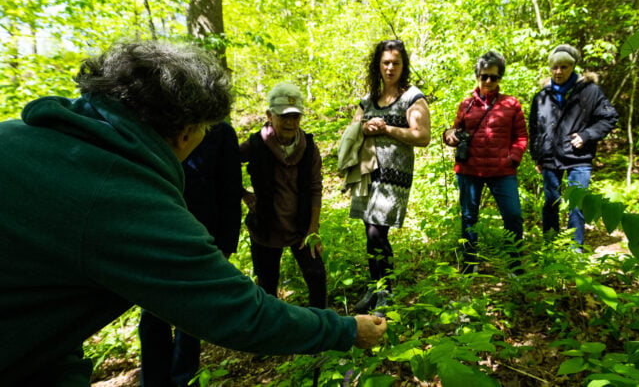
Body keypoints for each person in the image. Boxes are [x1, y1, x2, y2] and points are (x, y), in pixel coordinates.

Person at [0, 40, 387, 386]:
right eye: (204, 130)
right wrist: (345, 330)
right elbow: (237, 313)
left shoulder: (16, 137)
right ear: (185, 132)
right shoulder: (123, 197)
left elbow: (37, 296)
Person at [138, 121, 242, 387]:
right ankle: (154, 379)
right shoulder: (156, 123)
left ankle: (184, 379)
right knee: (153, 313)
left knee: (191, 314)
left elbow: (230, 188)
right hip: (157, 233)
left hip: (201, 235)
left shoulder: (220, 132)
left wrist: (226, 243)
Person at [349, 39, 431, 314]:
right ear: (378, 65)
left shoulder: (413, 98)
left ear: (403, 65)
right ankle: (376, 287)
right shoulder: (369, 99)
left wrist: (387, 129)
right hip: (368, 174)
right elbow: (353, 128)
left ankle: (386, 292)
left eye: (396, 62)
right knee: (369, 232)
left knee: (377, 231)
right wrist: (365, 125)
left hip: (393, 178)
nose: (390, 67)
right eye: (385, 62)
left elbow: (422, 136)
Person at [240, 82, 326, 310]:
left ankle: (319, 332)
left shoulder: (308, 147)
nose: (290, 122)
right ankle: (269, 338)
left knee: (317, 277)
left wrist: (313, 228)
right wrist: (245, 195)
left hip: (302, 226)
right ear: (269, 115)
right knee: (267, 286)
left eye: (295, 116)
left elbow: (316, 187)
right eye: (283, 117)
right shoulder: (256, 144)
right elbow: (226, 165)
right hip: (266, 227)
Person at [443, 50, 528, 273]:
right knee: (469, 217)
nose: (488, 81)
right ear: (478, 77)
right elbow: (455, 130)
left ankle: (515, 263)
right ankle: (469, 264)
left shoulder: (511, 104)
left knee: (513, 215)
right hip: (470, 169)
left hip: (502, 171)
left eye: (494, 76)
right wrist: (449, 136)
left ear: (500, 77)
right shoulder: (467, 104)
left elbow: (521, 137)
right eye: (484, 76)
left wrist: (513, 159)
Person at [529, 44, 618, 250]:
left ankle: (574, 250)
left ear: (573, 67)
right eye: (554, 67)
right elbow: (534, 127)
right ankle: (550, 248)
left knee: (577, 204)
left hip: (579, 157)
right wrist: (537, 156)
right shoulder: (542, 96)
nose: (558, 71)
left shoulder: (591, 91)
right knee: (551, 203)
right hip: (550, 157)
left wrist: (587, 135)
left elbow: (609, 117)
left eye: (564, 67)